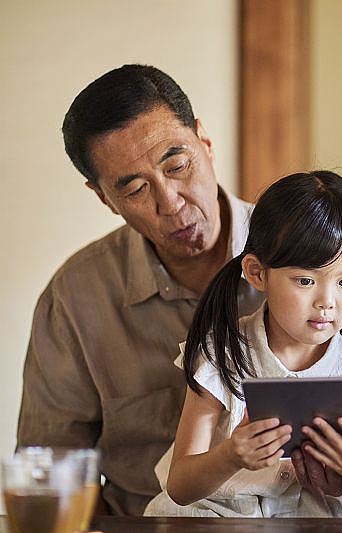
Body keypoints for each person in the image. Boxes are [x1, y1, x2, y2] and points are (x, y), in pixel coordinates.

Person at [16, 64, 263, 515]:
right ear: (104, 198)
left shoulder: (306, 257)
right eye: (133, 188)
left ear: (205, 143)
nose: (170, 203)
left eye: (177, 166)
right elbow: (51, 471)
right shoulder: (76, 297)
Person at [144, 171, 342, 518]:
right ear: (256, 273)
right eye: (305, 280)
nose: (327, 301)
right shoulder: (224, 353)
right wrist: (230, 455)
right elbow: (179, 485)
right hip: (220, 516)